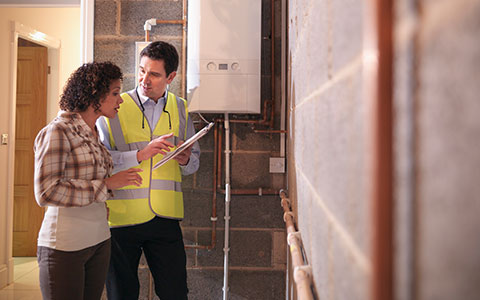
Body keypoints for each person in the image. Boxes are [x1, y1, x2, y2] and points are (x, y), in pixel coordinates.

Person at [97, 41, 200, 300]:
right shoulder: (113, 106)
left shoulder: (181, 108)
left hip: (165, 218)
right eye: (142, 70)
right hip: (121, 218)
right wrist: (139, 155)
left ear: (171, 77)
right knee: (122, 294)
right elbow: (100, 160)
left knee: (175, 293)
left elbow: (194, 165)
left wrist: (186, 160)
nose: (144, 79)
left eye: (154, 74)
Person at [34, 61, 143, 300]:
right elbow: (46, 192)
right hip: (64, 245)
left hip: (99, 241)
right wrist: (108, 185)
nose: (121, 100)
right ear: (95, 94)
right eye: (115, 93)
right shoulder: (58, 131)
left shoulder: (94, 132)